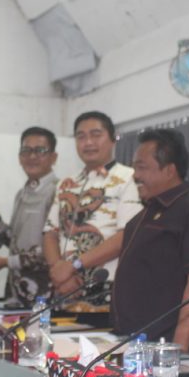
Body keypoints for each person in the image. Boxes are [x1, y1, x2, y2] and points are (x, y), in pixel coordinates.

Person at [111, 129, 189, 354]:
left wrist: (178, 352)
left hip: (164, 348)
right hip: (128, 341)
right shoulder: (141, 217)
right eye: (134, 168)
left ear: (170, 170)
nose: (135, 176)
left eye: (142, 167)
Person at [43, 111, 141, 298]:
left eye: (96, 135)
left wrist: (73, 266)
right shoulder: (66, 183)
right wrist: (59, 272)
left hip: (109, 286)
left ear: (113, 139)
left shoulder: (130, 178)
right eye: (81, 137)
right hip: (65, 288)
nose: (88, 142)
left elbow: (127, 235)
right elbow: (50, 233)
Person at [0, 127, 59, 307]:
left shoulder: (58, 192)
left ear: (53, 157)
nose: (32, 156)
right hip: (16, 294)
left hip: (44, 295)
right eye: (26, 151)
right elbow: (13, 242)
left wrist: (5, 262)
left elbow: (53, 252)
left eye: (40, 150)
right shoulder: (22, 194)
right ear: (19, 157)